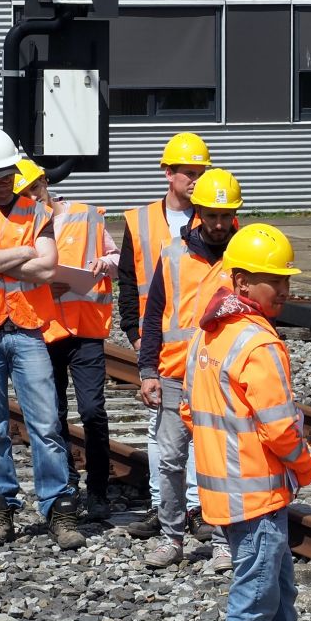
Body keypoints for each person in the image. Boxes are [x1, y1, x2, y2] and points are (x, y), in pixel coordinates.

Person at [182, 223, 311, 621]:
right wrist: (304, 464)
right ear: (243, 282)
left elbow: (190, 410)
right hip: (255, 489)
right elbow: (279, 426)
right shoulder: (259, 342)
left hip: (225, 487)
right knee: (256, 594)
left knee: (277, 587)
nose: (285, 290)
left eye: (286, 279)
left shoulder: (211, 332)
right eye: (275, 281)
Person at [0, 128, 84, 552]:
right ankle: (0, 509)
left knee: (46, 425)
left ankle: (58, 510)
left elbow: (47, 270)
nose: (3, 179)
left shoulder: (36, 211)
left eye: (7, 171)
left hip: (28, 329)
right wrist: (24, 252)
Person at [137, 168, 243, 571]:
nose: (218, 224)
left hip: (218, 377)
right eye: (211, 215)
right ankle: (171, 538)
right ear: (198, 211)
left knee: (217, 463)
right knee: (170, 460)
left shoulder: (243, 258)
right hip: (175, 374)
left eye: (225, 215)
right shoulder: (173, 254)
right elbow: (153, 318)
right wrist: (148, 370)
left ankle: (223, 542)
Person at [118, 133, 211, 542]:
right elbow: (128, 284)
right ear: (168, 173)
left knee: (200, 427)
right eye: (188, 173)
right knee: (161, 431)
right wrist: (138, 340)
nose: (195, 180)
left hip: (205, 347)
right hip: (161, 345)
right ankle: (164, 506)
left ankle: (194, 507)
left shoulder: (215, 219)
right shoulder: (139, 221)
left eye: (200, 173)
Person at [13, 159, 118, 521]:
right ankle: (68, 484)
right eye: (23, 194)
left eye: (33, 189)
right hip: (44, 330)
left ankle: (99, 491)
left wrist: (106, 263)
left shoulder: (86, 216)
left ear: (44, 182)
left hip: (86, 329)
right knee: (53, 413)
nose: (31, 197)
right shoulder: (20, 225)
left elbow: (117, 258)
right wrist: (41, 282)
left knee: (92, 411)